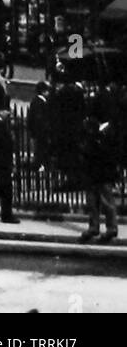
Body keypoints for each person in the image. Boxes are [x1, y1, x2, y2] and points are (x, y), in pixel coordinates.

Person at [80, 97, 121, 243]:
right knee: (94, 201)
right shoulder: (96, 128)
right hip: (96, 170)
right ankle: (96, 226)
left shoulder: (107, 130)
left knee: (105, 201)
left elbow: (109, 151)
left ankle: (110, 228)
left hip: (102, 171)